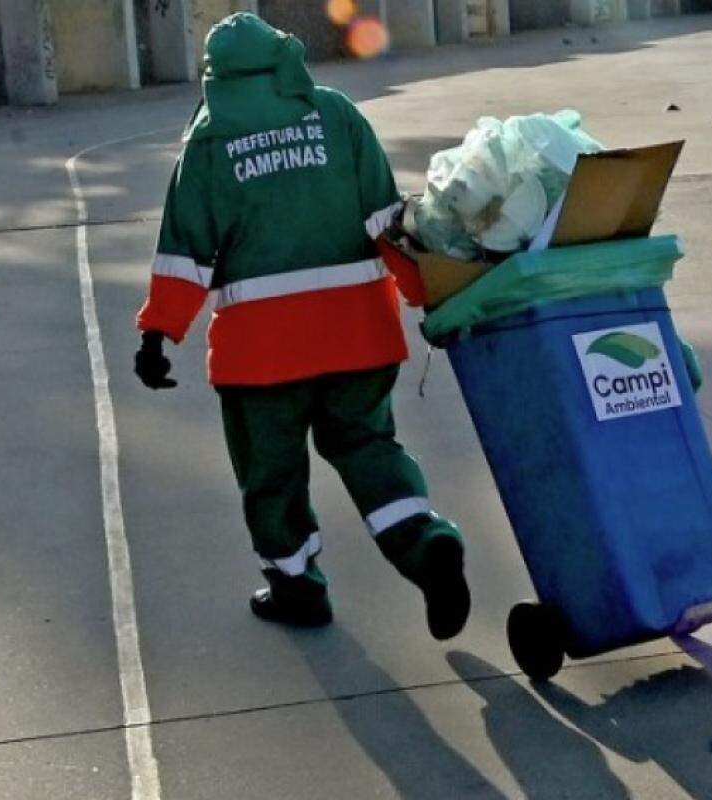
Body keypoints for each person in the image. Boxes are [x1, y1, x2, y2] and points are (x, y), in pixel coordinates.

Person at [133, 13, 469, 640]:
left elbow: (186, 246)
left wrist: (158, 334)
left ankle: (297, 587)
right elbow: (388, 220)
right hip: (359, 336)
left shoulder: (209, 140)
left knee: (272, 473)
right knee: (368, 447)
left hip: (262, 355)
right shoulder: (336, 113)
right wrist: (430, 296)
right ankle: (425, 544)